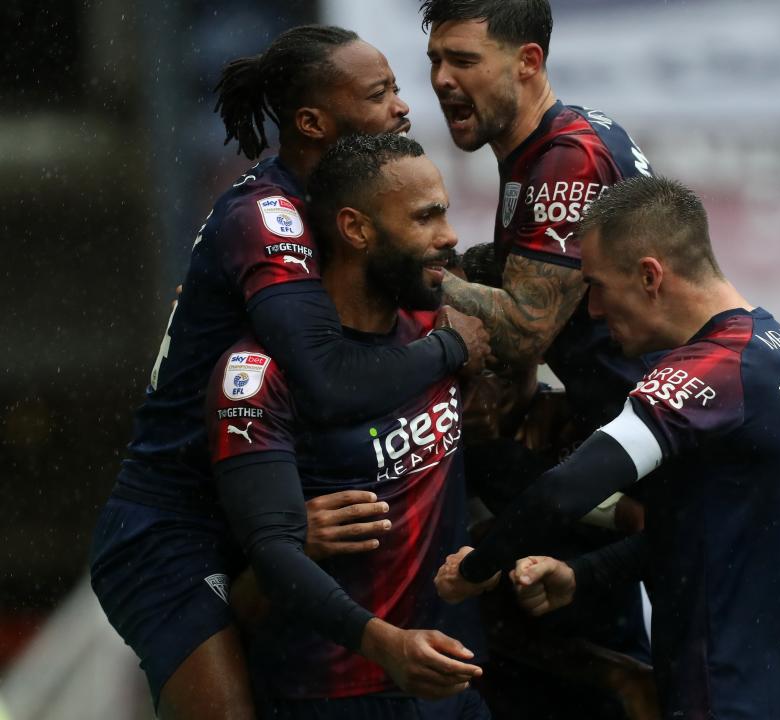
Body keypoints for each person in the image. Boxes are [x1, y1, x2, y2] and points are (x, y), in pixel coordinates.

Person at [89, 26, 489, 719]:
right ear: (312, 121)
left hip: (263, 495)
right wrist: (453, 348)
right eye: (379, 93)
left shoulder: (345, 207)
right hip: (174, 527)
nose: (402, 106)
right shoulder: (267, 215)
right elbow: (329, 381)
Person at [434, 176, 780, 720]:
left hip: (729, 692)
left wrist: (475, 569)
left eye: (597, 286)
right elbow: (709, 531)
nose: (594, 311)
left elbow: (566, 489)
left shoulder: (712, 371)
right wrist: (583, 576)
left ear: (650, 276)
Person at [420, 2, 655, 715]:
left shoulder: (567, 157)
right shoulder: (549, 145)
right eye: (434, 60)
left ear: (527, 63)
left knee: (594, 672)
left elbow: (524, 328)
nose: (441, 80)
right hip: (617, 433)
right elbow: (530, 290)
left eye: (463, 60)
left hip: (638, 441)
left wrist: (413, 277)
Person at [209, 133, 490, 718]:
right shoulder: (255, 374)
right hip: (331, 696)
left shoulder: (438, 328)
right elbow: (273, 555)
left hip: (454, 687)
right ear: (356, 229)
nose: (449, 235)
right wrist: (386, 645)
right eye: (425, 216)